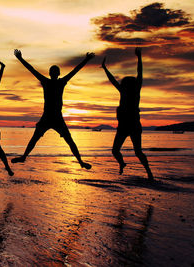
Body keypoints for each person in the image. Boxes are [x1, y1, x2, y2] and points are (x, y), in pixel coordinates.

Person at [11, 49, 94, 170]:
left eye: (54, 71)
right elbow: (32, 70)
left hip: (56, 117)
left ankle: (80, 161)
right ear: (51, 73)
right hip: (48, 117)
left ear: (55, 73)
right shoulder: (48, 81)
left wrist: (86, 59)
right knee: (36, 139)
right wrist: (20, 58)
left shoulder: (56, 82)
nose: (53, 73)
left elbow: (75, 70)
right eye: (53, 71)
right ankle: (24, 157)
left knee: (69, 141)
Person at [101, 47, 154, 180]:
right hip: (127, 125)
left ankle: (147, 172)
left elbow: (139, 73)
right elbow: (114, 80)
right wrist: (104, 68)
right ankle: (128, 165)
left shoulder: (132, 91)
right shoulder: (128, 91)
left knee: (129, 151)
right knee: (127, 151)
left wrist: (139, 58)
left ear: (126, 84)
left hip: (131, 125)